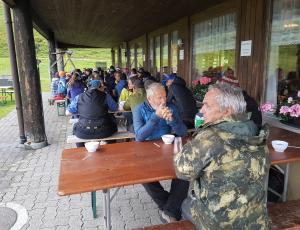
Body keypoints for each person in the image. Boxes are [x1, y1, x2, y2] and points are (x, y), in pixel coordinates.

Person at [174, 82, 270, 229]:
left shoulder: (210, 138)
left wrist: (180, 152)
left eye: (207, 105)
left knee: (184, 205)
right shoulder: (257, 132)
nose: (202, 110)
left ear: (227, 111)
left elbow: (182, 171)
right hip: (256, 221)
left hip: (220, 224)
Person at [133, 83, 189, 222]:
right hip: (146, 150)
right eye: (160, 98)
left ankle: (169, 210)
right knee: (144, 177)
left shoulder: (171, 107)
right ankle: (171, 208)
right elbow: (139, 136)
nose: (164, 101)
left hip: (168, 148)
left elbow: (183, 132)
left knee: (184, 171)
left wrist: (172, 121)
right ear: (150, 98)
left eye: (165, 96)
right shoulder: (139, 109)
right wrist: (156, 116)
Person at [67, 80, 118, 146]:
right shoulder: (106, 96)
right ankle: (110, 146)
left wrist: (80, 110)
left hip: (83, 132)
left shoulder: (79, 97)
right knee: (114, 123)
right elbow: (115, 108)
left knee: (75, 126)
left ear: (88, 87)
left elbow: (68, 112)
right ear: (99, 87)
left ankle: (81, 148)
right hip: (104, 131)